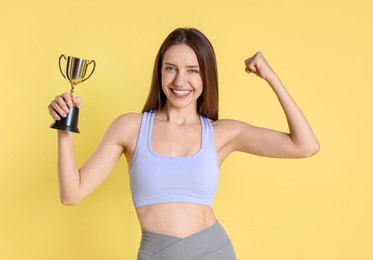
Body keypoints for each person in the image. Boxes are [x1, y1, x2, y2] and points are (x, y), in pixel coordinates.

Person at [48, 27, 319, 260]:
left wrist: (271, 77)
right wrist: (65, 126)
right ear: (160, 73)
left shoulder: (221, 133)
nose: (180, 81)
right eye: (170, 69)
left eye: (193, 70)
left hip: (215, 252)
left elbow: (305, 146)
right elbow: (72, 194)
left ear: (206, 76)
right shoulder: (130, 127)